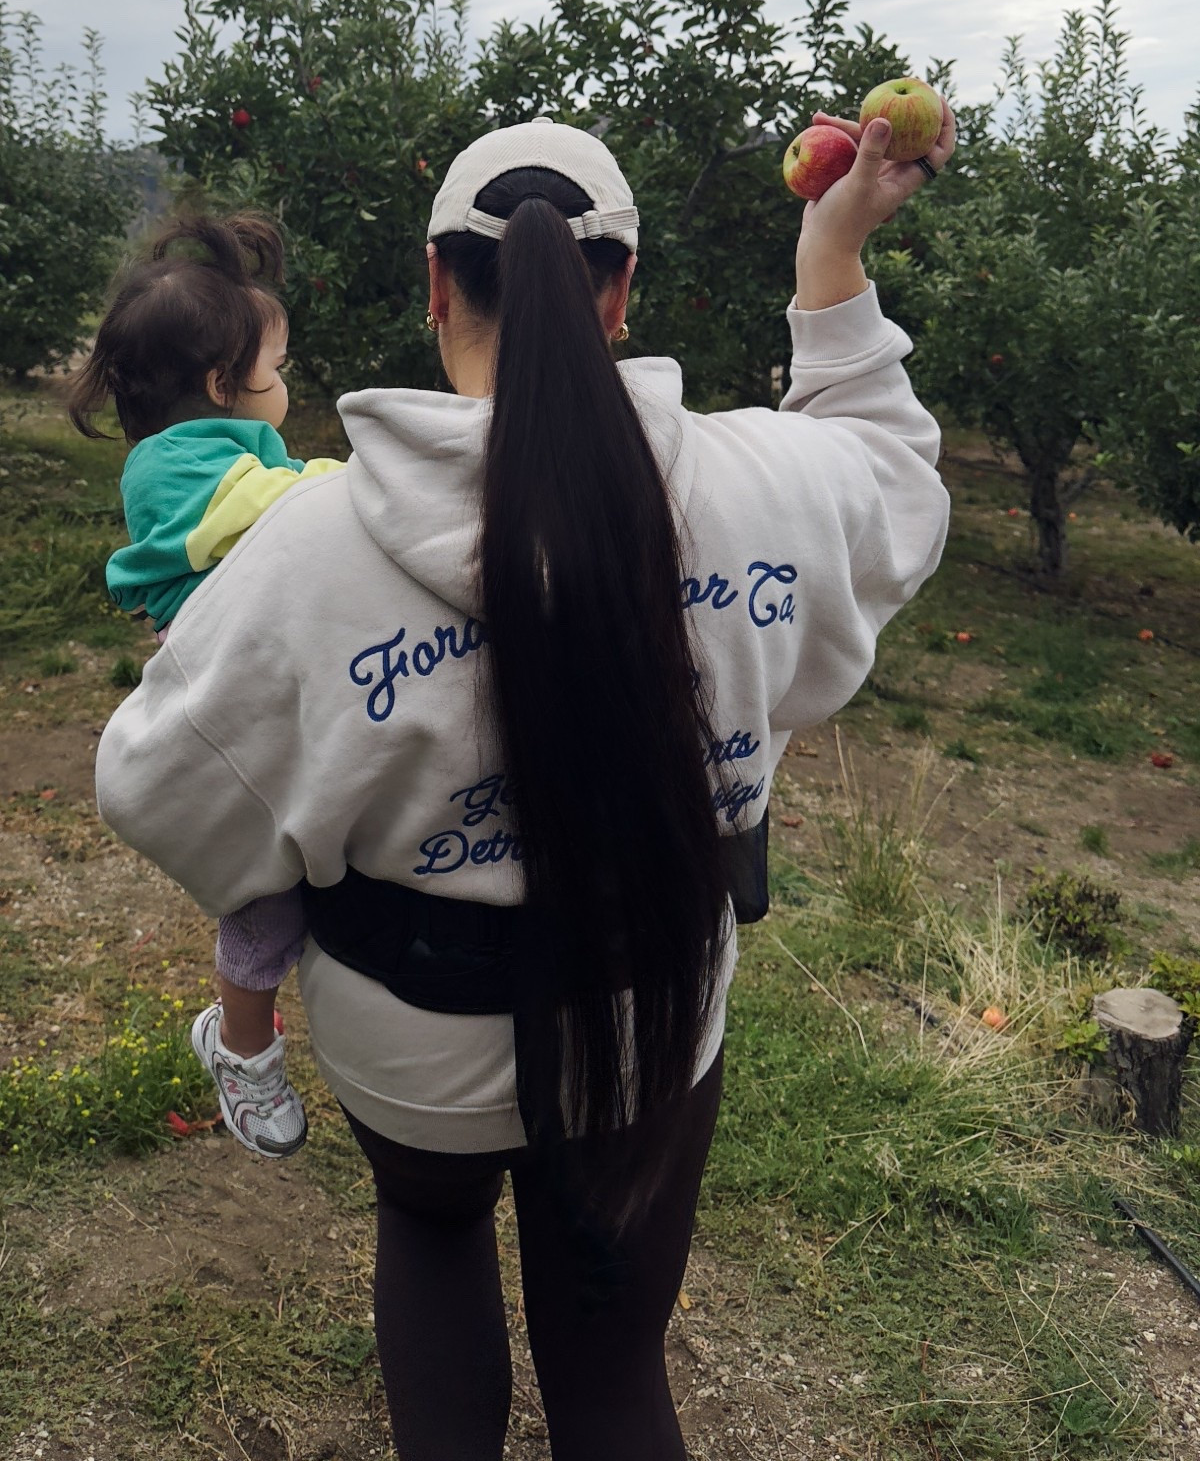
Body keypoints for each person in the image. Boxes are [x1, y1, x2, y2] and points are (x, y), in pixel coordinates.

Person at [95, 109, 953, 1459]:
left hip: (414, 1033)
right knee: (614, 1378)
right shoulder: (760, 493)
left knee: (431, 1233)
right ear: (616, 295)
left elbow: (154, 783)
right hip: (650, 1017)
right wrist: (830, 258)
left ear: (438, 288)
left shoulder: (304, 549)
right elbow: (893, 478)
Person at [68, 211, 342, 1158]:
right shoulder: (177, 465)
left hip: (272, 693)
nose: (288, 382)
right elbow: (258, 514)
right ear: (225, 385)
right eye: (276, 368)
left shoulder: (221, 447)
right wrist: (350, 486)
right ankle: (241, 1049)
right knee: (262, 896)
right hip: (232, 714)